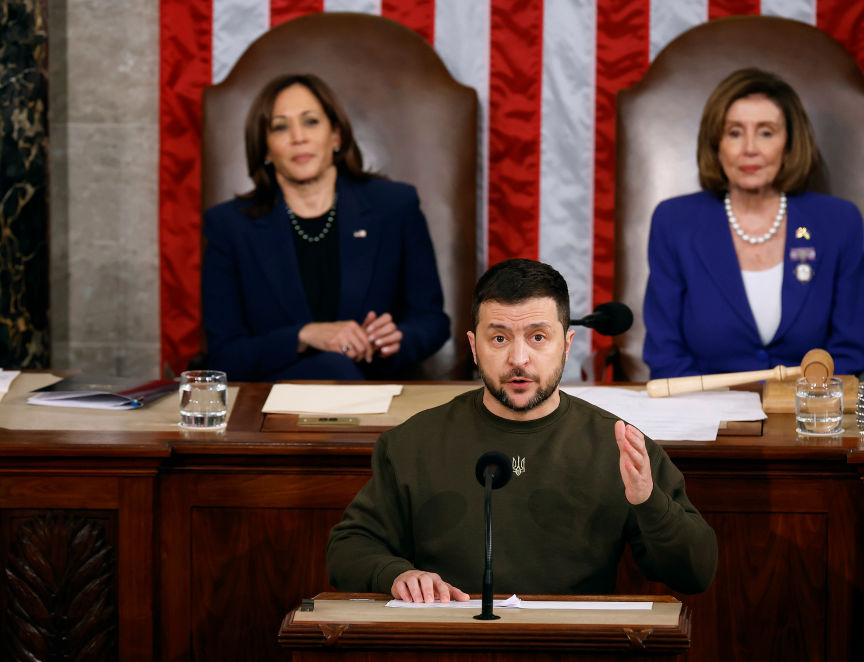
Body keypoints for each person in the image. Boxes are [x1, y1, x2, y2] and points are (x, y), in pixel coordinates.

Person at [327, 258, 717, 602]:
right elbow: (348, 548)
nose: (518, 359)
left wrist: (649, 502)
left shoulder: (618, 444)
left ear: (567, 345)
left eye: (538, 337)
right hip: (451, 644)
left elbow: (696, 573)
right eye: (499, 338)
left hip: (576, 648)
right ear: (474, 346)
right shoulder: (413, 442)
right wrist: (396, 575)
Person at [201, 73, 449, 381]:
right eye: (280, 127)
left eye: (311, 122)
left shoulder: (395, 206)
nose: (298, 137)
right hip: (277, 400)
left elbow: (432, 322)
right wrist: (304, 336)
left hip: (377, 389)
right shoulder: (229, 226)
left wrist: (396, 339)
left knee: (340, 370)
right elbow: (224, 356)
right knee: (334, 367)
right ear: (265, 148)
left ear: (336, 135)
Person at [643, 68, 864, 379]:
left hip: (808, 403)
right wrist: (716, 406)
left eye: (766, 132)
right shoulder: (674, 222)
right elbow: (665, 354)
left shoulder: (839, 223)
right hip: (704, 405)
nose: (749, 148)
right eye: (734, 132)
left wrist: (795, 401)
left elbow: (849, 353)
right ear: (716, 144)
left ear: (789, 145)